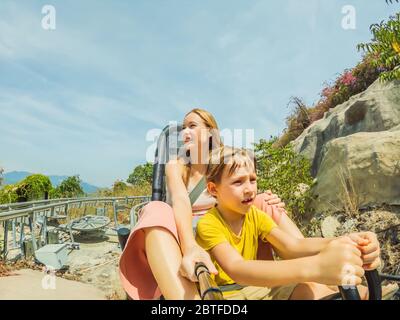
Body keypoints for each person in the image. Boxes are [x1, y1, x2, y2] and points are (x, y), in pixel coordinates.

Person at [119, 108, 305, 300]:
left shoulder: (224, 161)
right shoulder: (177, 166)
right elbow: (181, 200)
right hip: (188, 230)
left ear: (210, 132)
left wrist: (266, 198)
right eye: (183, 128)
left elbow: (244, 188)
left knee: (262, 200)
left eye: (192, 126)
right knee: (155, 209)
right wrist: (190, 245)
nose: (184, 133)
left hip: (227, 222)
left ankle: (315, 271)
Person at [196, 146, 383, 300]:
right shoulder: (208, 223)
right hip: (228, 296)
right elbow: (237, 268)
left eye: (252, 180)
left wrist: (345, 240)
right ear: (213, 189)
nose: (249, 189)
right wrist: (315, 267)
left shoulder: (254, 215)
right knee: (312, 286)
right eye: (238, 182)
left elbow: (293, 245)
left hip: (257, 288)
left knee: (316, 290)